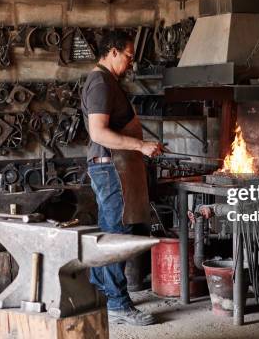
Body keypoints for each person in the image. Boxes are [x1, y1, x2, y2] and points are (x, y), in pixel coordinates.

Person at [80, 30, 163, 325]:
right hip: (110, 167)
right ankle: (117, 303)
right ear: (112, 51)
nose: (131, 62)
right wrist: (141, 145)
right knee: (116, 236)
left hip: (112, 166)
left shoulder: (105, 81)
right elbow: (99, 132)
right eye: (128, 56)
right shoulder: (101, 82)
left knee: (108, 232)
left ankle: (104, 295)